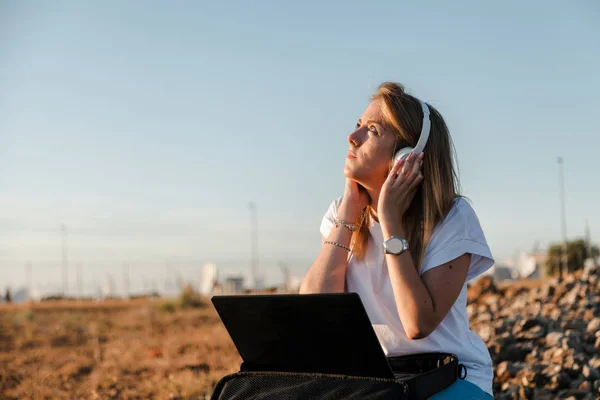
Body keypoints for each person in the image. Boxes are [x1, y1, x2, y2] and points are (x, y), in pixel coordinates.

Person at [299, 82, 495, 399]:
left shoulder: (453, 217)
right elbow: (313, 308)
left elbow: (417, 324)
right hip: (380, 381)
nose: (353, 137)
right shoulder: (343, 212)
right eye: (358, 125)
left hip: (449, 377)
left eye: (372, 130)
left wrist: (390, 221)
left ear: (406, 155)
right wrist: (349, 212)